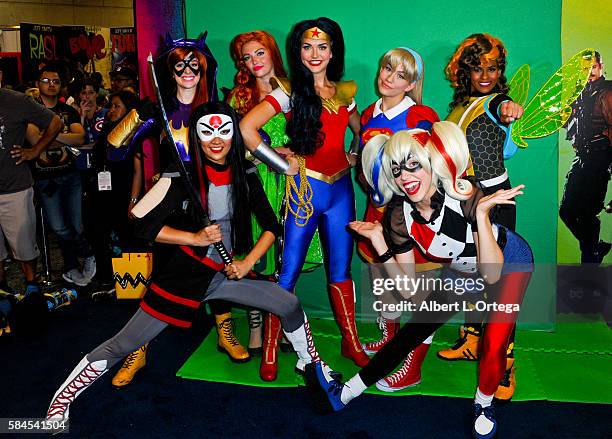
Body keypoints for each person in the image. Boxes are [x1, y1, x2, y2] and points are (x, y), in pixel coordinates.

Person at [46, 102, 330, 423]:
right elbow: (139, 223)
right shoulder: (178, 176)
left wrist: (247, 262)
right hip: (181, 278)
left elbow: (270, 225)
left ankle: (310, 364)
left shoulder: (245, 172)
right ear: (195, 135)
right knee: (123, 344)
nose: (216, 139)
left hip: (223, 274)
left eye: (223, 129)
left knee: (289, 303)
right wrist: (192, 238)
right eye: (206, 132)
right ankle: (61, 400)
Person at [309, 121, 533, 439]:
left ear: (431, 163)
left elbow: (492, 273)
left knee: (494, 343)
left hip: (507, 263)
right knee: (412, 332)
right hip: (462, 271)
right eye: (398, 170)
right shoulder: (399, 215)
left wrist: (482, 216)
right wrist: (380, 243)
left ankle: (483, 404)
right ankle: (346, 391)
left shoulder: (463, 192)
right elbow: (407, 289)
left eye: (414, 166)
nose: (406, 177)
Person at [110, 36, 247, 388]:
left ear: (204, 69)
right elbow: (111, 150)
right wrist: (138, 118)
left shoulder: (217, 106)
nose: (187, 72)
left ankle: (224, 331)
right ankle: (137, 348)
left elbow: (237, 152)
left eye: (194, 64)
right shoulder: (157, 107)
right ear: (169, 70)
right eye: (179, 65)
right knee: (163, 273)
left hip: (213, 195)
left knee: (220, 264)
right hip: (173, 197)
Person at [240, 17, 369, 373]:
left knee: (341, 271)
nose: (315, 54)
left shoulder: (346, 93)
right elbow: (247, 129)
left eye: (323, 47)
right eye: (307, 47)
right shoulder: (288, 90)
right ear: (298, 51)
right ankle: (269, 349)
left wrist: (359, 156)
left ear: (333, 51)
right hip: (304, 191)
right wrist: (279, 160)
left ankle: (351, 342)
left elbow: (364, 133)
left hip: (341, 190)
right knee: (287, 273)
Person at [228, 29, 323, 379]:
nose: (254, 62)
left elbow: (312, 136)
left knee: (288, 257)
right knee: (258, 256)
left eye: (259, 54)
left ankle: (285, 322)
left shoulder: (297, 89)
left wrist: (292, 153)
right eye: (247, 57)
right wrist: (267, 157)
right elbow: (235, 142)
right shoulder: (240, 95)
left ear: (272, 54)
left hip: (292, 182)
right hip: (256, 184)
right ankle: (257, 326)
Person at [440, 34, 525, 399]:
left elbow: (504, 107)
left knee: (499, 286)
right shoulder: (459, 107)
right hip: (463, 200)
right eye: (478, 68)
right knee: (470, 276)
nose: (486, 75)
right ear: (466, 72)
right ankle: (472, 340)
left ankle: (505, 363)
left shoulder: (494, 102)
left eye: (493, 68)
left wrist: (510, 109)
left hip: (495, 200)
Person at [356, 47, 440, 391]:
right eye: (387, 68)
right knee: (386, 282)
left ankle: (413, 366)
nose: (389, 78)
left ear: (411, 83)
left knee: (420, 295)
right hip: (377, 213)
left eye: (400, 75)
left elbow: (436, 169)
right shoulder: (366, 114)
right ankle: (392, 346)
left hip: (410, 219)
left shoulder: (421, 115)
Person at [26, 64, 96, 287]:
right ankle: (82, 255)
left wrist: (49, 138)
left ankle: (75, 264)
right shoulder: (31, 111)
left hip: (71, 175)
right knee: (58, 226)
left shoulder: (69, 111)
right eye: (46, 81)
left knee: (76, 224)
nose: (51, 85)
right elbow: (33, 140)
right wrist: (63, 135)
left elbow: (81, 138)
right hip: (45, 179)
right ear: (38, 84)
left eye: (55, 81)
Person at [0, 88, 62, 295]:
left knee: (24, 244)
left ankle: (31, 286)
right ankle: (2, 291)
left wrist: (35, 150)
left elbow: (55, 122)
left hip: (14, 188)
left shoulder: (17, 100)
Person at [86, 90, 143, 294]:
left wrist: (134, 199)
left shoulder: (136, 134)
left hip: (123, 193)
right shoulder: (108, 130)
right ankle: (106, 278)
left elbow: (138, 170)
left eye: (117, 106)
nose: (111, 110)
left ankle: (132, 284)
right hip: (101, 193)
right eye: (111, 106)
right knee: (97, 233)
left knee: (128, 237)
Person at [559, 51, 611, 264]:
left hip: (601, 158)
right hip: (583, 158)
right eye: (584, 69)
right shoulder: (579, 93)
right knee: (567, 212)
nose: (589, 73)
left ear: (601, 67)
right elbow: (570, 123)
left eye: (593, 68)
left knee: (588, 214)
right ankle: (595, 248)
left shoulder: (608, 92)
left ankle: (589, 260)